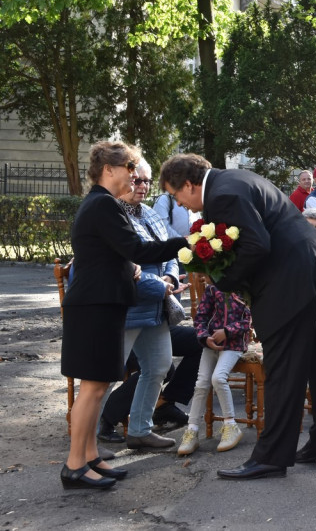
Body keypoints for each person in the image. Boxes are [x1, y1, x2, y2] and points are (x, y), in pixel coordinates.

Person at [160, 153, 316, 479]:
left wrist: (223, 280)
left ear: (188, 184)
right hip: (314, 265)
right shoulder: (236, 178)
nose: (183, 204)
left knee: (282, 370)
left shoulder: (222, 194)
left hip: (291, 279)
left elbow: (256, 245)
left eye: (177, 195)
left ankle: (271, 457)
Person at [60, 141, 186, 490]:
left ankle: (89, 458)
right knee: (92, 389)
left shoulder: (103, 205)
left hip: (103, 304)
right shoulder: (103, 206)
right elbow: (137, 249)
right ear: (109, 170)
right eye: (130, 170)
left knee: (98, 387)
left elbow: (123, 254)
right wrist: (184, 242)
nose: (134, 178)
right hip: (94, 307)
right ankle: (74, 465)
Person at [114, 159, 188, 452]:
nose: (142, 187)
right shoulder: (114, 215)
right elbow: (126, 265)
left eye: (146, 182)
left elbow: (169, 247)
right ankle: (87, 439)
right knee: (103, 377)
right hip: (128, 309)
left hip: (156, 307)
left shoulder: (148, 212)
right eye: (137, 180)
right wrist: (163, 286)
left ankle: (140, 431)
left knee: (158, 367)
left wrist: (169, 274)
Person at [177, 284, 253, 455]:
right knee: (201, 383)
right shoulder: (213, 288)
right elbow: (201, 316)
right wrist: (204, 336)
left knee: (218, 378)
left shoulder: (246, 287)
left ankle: (231, 425)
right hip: (212, 343)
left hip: (234, 344)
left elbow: (249, 320)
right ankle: (192, 430)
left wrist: (227, 331)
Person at [98, 324, 203, 441]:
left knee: (201, 339)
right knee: (160, 366)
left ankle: (164, 402)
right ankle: (106, 415)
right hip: (125, 329)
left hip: (155, 322)